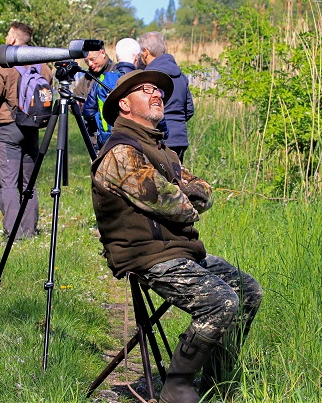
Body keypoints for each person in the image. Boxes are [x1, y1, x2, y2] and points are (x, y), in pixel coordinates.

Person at [90, 70, 262, 403]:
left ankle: (218, 378)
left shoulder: (163, 150)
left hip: (179, 252)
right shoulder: (120, 153)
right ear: (124, 104)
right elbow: (172, 203)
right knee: (221, 301)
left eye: (158, 89)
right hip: (147, 256)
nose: (156, 93)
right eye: (146, 89)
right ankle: (178, 383)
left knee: (248, 290)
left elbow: (205, 193)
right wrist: (181, 195)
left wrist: (180, 194)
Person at [0, 21, 53, 240]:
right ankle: (30, 232)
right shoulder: (44, 68)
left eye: (7, 35)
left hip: (9, 130)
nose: (4, 39)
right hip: (32, 129)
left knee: (9, 183)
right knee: (28, 183)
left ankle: (14, 235)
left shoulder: (3, 66)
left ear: (13, 39)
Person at [139, 31, 194, 162]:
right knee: (178, 178)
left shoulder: (149, 76)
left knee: (160, 180)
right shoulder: (180, 75)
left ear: (145, 51)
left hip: (160, 139)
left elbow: (144, 109)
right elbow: (189, 109)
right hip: (180, 138)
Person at [83, 37, 141, 149]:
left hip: (107, 141)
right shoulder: (143, 79)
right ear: (137, 57)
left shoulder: (103, 80)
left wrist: (99, 123)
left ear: (117, 57)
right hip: (137, 140)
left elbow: (88, 111)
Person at [73, 45, 115, 148]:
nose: (90, 64)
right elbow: (73, 100)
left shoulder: (116, 72)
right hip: (93, 139)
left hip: (113, 137)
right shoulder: (87, 76)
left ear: (103, 53)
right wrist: (80, 105)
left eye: (92, 59)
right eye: (87, 61)